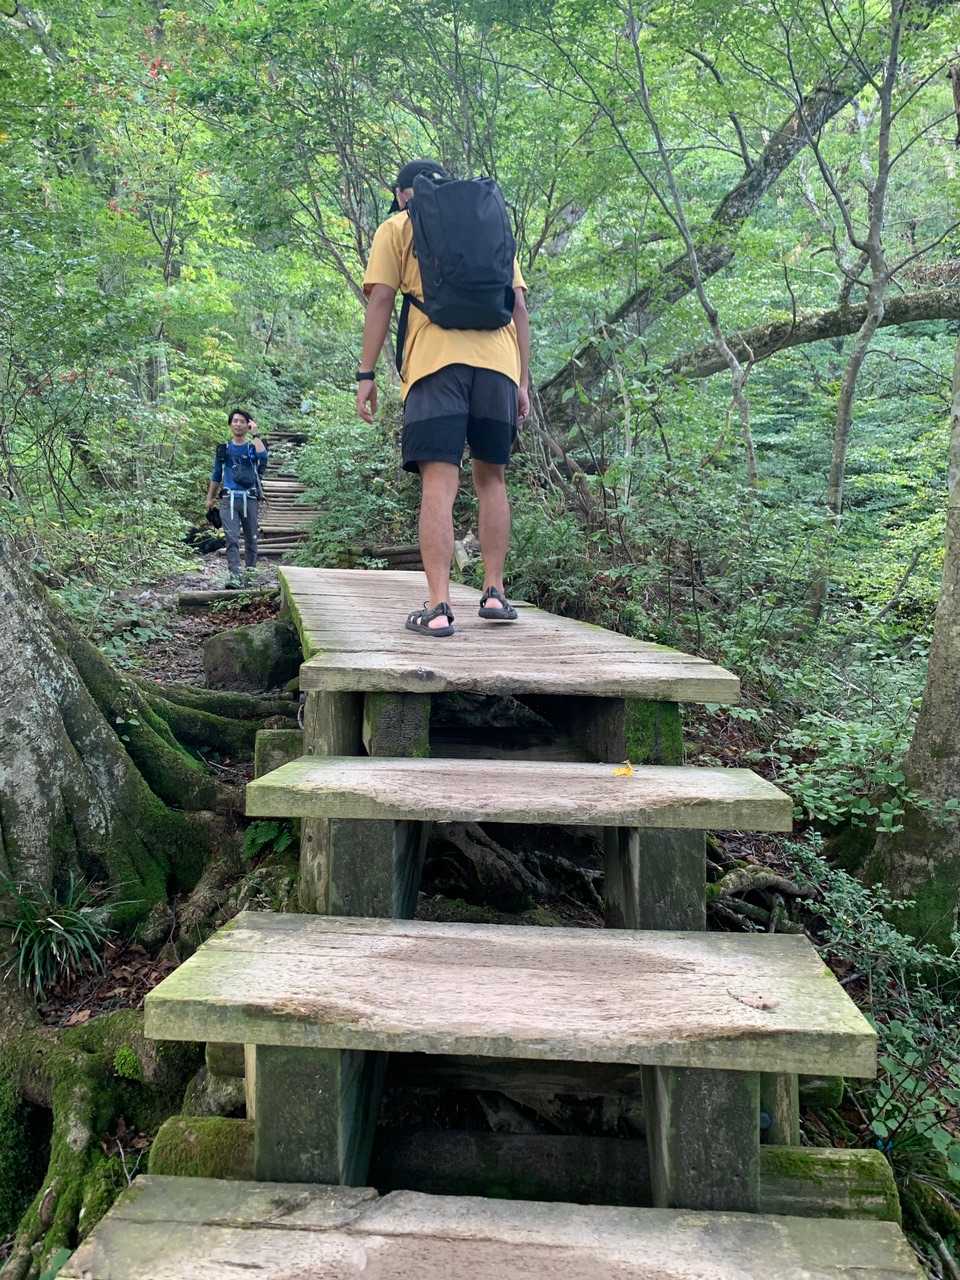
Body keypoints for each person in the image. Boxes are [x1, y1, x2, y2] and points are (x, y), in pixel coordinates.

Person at [356, 159, 530, 637]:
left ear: (402, 193)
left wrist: (366, 373)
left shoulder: (398, 226)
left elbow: (381, 299)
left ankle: (438, 606)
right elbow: (517, 305)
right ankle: (494, 593)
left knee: (439, 481)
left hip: (435, 366)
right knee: (492, 479)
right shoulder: (486, 225)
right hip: (499, 366)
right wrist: (521, 381)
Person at [206, 409, 268, 586]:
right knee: (231, 538)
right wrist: (210, 498)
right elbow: (216, 475)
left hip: (250, 499)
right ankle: (234, 576)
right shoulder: (224, 449)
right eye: (235, 421)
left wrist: (256, 434)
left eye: (242, 421)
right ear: (230, 424)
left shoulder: (252, 447)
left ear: (248, 425)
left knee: (251, 538)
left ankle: (250, 575)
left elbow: (263, 457)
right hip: (228, 499)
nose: (238, 424)